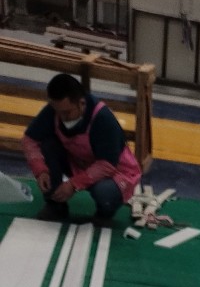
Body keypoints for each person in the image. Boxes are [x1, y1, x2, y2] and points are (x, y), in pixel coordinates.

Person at [23, 73, 141, 223]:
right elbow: (29, 140)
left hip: (115, 171)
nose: (62, 117)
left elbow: (106, 165)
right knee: (48, 145)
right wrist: (41, 170)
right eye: (58, 112)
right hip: (78, 163)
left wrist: (73, 184)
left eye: (67, 113)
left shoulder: (103, 119)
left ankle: (104, 213)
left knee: (104, 193)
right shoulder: (55, 110)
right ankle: (55, 205)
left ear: (82, 103)